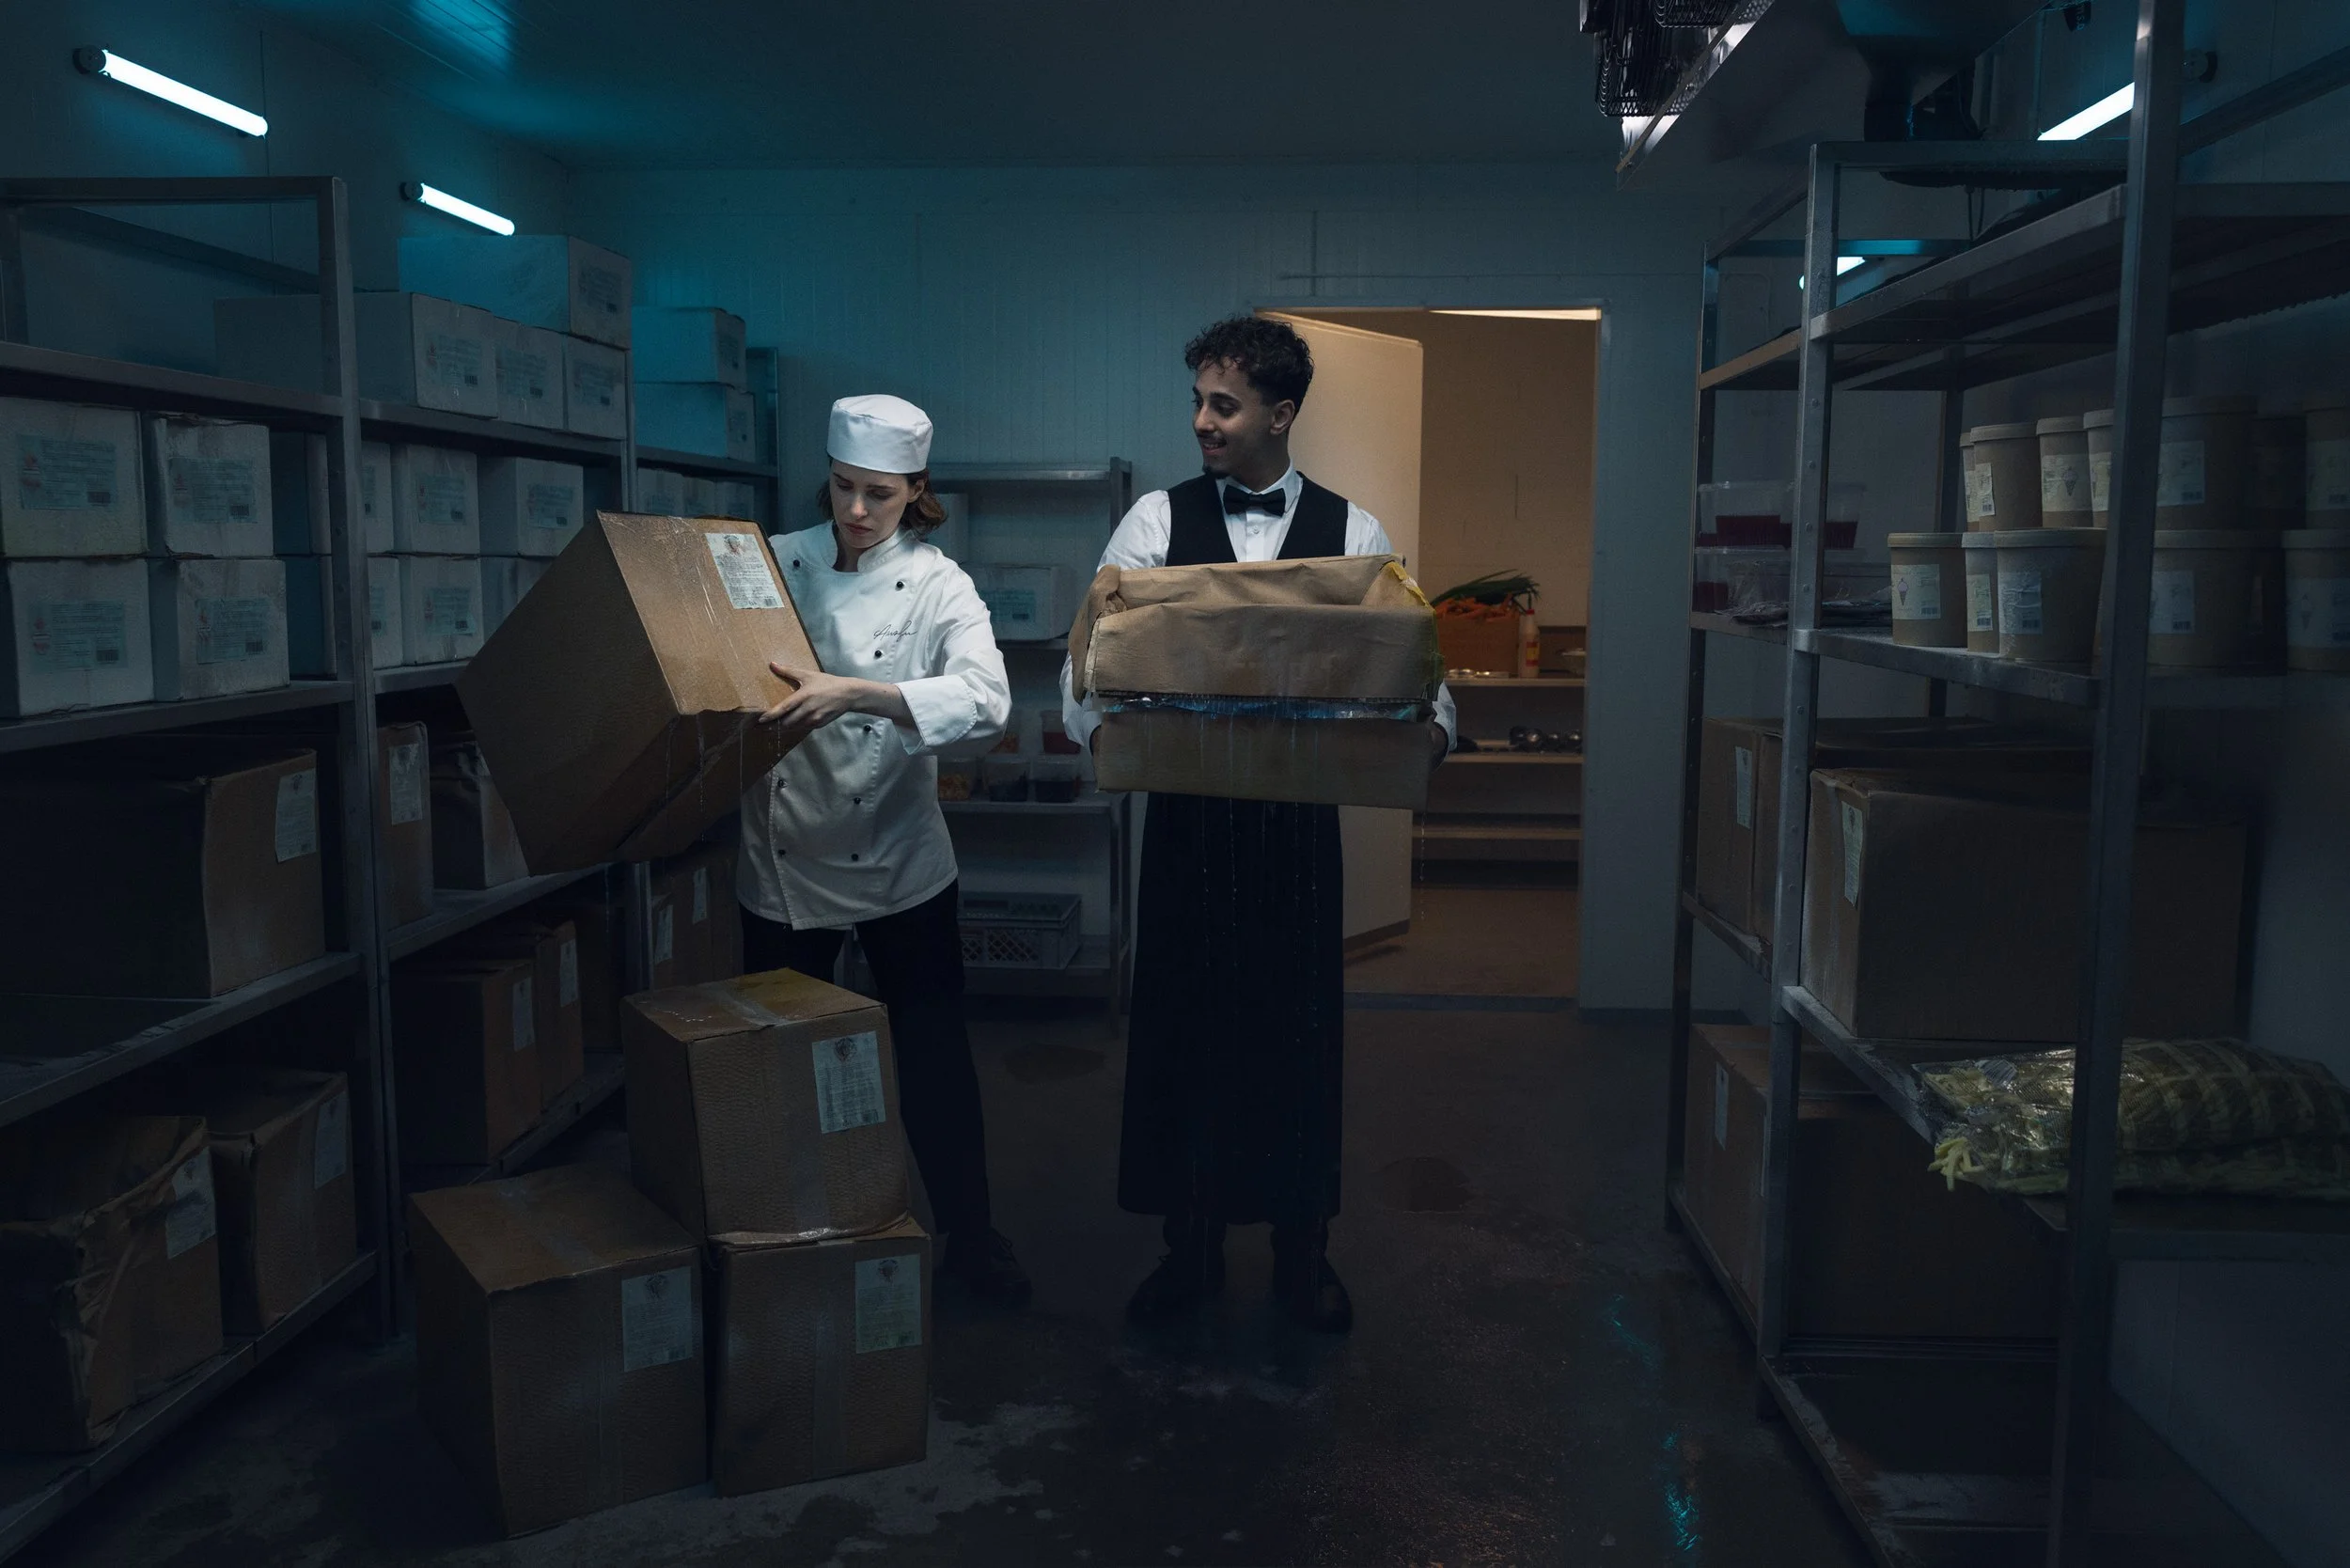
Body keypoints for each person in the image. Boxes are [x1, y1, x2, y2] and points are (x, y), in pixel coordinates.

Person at [1060, 317, 1454, 1332]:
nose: (1201, 422)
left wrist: (1421, 731)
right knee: (1185, 1037)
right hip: (1190, 831)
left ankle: (1300, 1253)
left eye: (1222, 405)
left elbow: (1420, 678)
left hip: (1293, 838)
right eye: (1196, 400)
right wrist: (1125, 723)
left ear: (1280, 414)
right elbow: (1087, 672)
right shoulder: (1152, 523)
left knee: (1295, 1041)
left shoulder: (1356, 532)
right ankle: (1184, 1250)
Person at [741, 393, 1029, 1306]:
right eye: (841, 488)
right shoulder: (770, 564)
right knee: (780, 1076)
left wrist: (860, 695)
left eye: (879, 493)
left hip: (900, 861)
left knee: (935, 1063)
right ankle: (787, 1251)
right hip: (781, 864)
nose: (857, 511)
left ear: (916, 490)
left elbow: (988, 703)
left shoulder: (941, 584)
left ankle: (972, 1243)